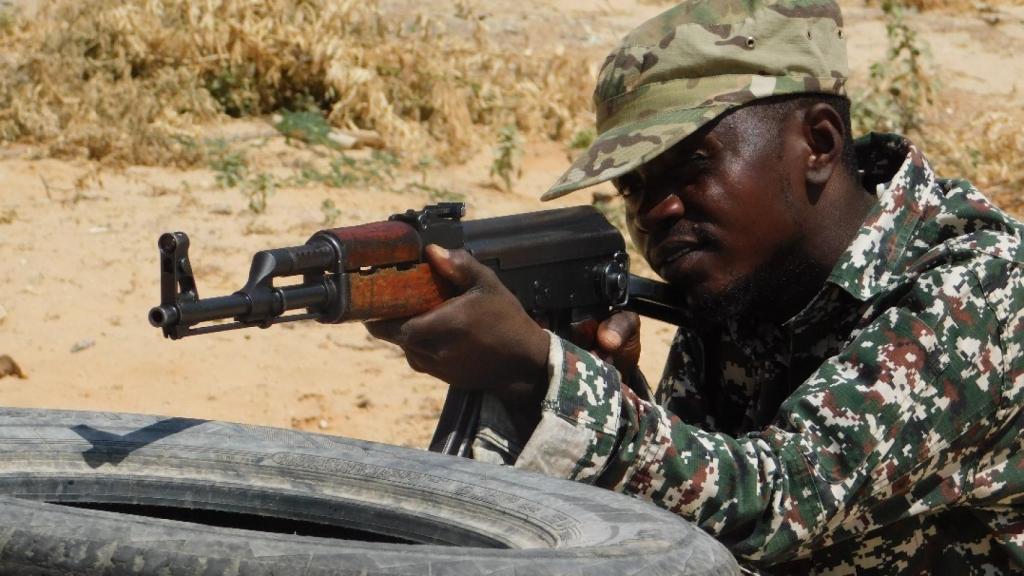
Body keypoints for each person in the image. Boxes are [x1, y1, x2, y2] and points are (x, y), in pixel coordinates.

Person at [367, 0, 1024, 572]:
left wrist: (547, 376)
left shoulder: (975, 287)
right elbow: (689, 514)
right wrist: (616, 389)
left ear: (819, 143)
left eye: (692, 165)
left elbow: (786, 503)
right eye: (634, 186)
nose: (655, 211)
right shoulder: (745, 283)